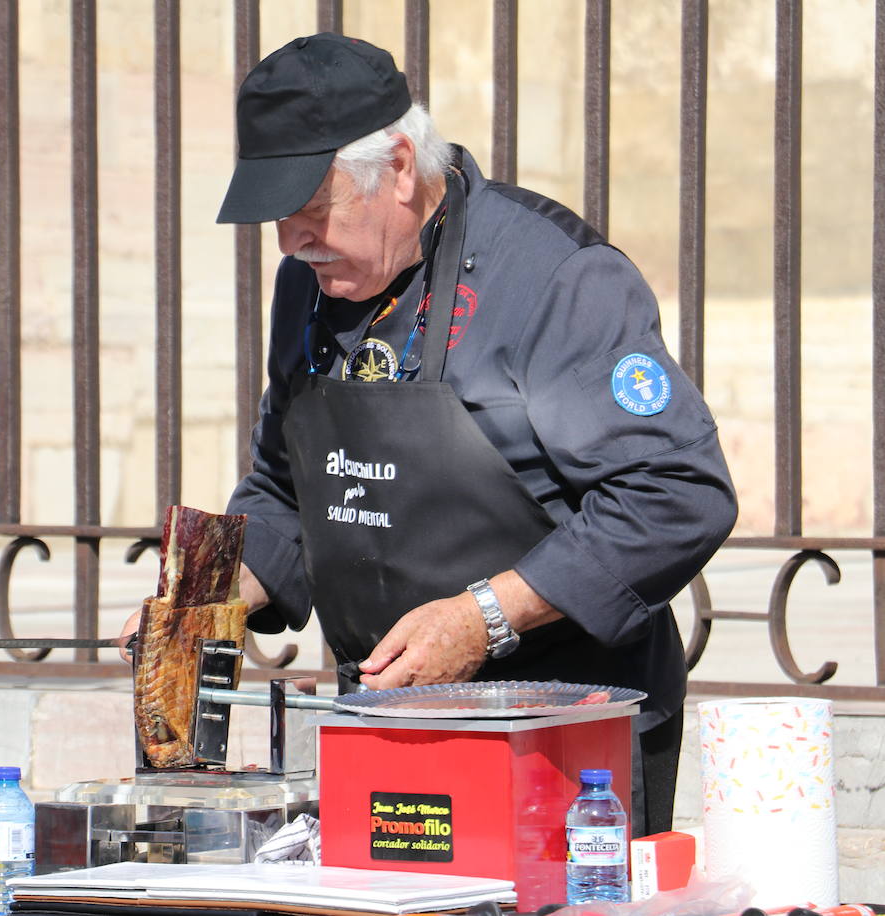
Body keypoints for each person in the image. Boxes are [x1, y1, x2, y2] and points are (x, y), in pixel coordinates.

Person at [122, 33, 737, 837]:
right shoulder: (306, 288)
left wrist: (483, 617)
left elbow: (676, 496)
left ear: (401, 168)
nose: (290, 243)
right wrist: (206, 598)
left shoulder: (556, 280)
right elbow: (287, 488)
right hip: (384, 722)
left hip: (564, 739)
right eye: (279, 220)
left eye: (312, 210)